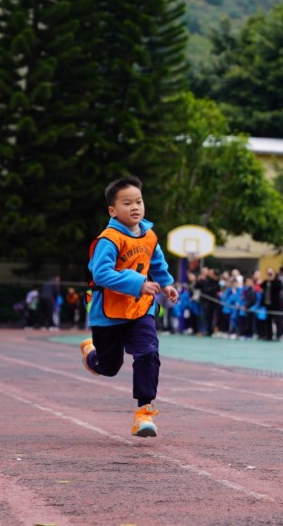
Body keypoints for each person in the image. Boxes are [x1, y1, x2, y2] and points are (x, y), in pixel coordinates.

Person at [79, 175, 179, 437]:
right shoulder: (109, 239)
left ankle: (144, 413)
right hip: (109, 313)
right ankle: (92, 354)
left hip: (140, 309)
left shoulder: (149, 236)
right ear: (113, 210)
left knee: (148, 353)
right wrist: (138, 284)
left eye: (139, 201)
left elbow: (157, 264)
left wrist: (166, 284)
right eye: (127, 203)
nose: (135, 207)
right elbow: (101, 274)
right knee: (109, 367)